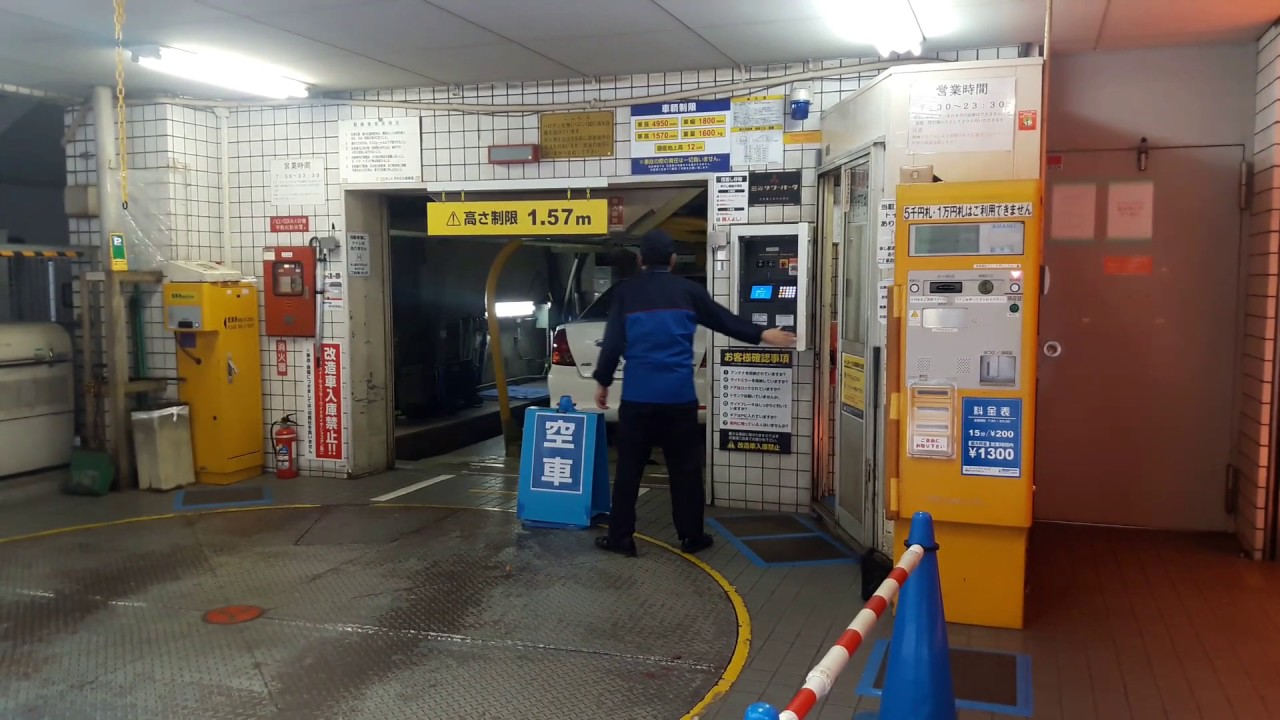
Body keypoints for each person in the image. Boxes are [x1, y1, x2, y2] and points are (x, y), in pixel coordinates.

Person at [593, 229, 796, 557]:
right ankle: (691, 537)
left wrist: (603, 381)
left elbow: (613, 342)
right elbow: (724, 320)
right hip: (678, 399)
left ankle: (621, 538)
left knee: (629, 470)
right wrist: (762, 334)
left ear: (641, 260)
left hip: (637, 399)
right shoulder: (689, 292)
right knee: (685, 471)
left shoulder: (625, 294)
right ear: (673, 260)